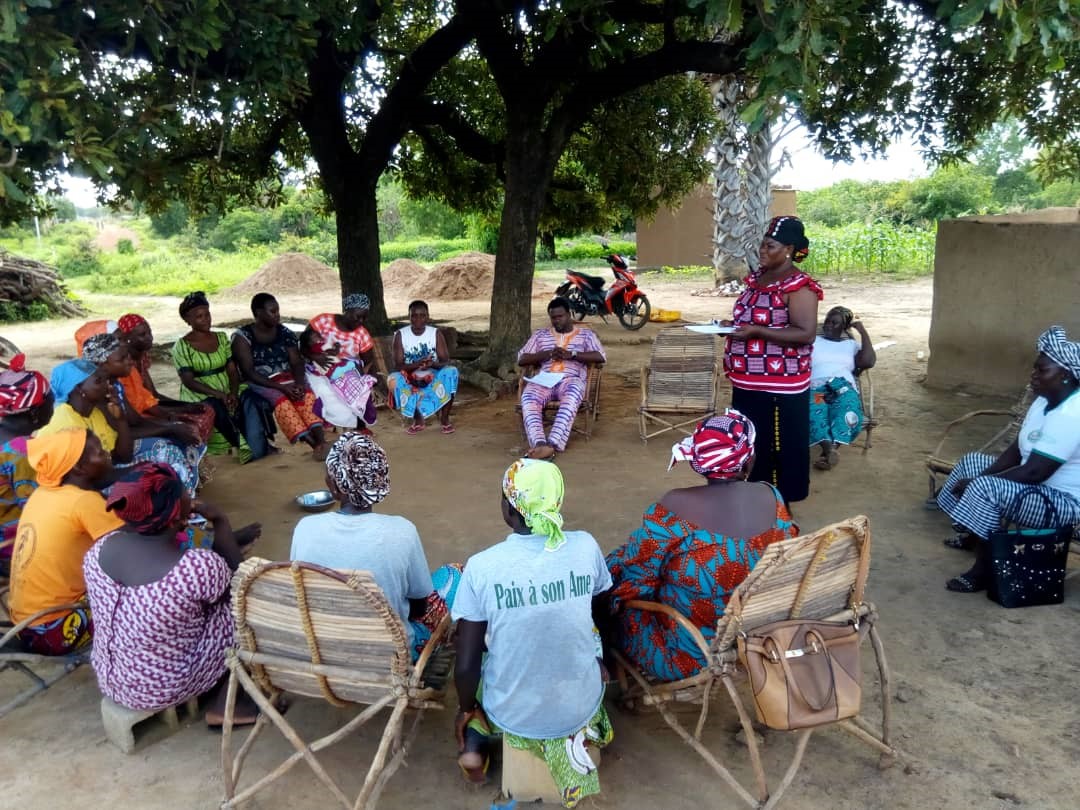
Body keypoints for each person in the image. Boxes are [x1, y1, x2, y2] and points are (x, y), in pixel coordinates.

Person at [452, 459, 613, 805]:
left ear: (509, 510)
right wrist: (603, 662)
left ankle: (476, 743)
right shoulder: (585, 546)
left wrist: (466, 708)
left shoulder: (481, 567)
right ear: (556, 502)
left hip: (513, 713)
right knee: (584, 638)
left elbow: (466, 666)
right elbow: (602, 613)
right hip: (577, 703)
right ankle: (581, 737)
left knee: (480, 673)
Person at [603, 411, 798, 681]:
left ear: (697, 462)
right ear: (748, 461)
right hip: (760, 632)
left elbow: (637, 574)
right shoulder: (772, 496)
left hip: (688, 652)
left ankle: (604, 672)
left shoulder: (675, 506)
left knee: (609, 593)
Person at [82, 463, 258, 726]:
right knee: (248, 609)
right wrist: (220, 519)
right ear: (179, 518)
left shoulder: (99, 551)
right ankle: (228, 705)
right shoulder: (194, 568)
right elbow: (242, 586)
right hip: (162, 688)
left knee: (198, 605)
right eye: (185, 495)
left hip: (112, 678)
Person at [290, 432, 459, 660]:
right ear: (380, 481)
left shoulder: (305, 529)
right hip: (390, 658)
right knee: (455, 573)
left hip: (324, 652)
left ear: (333, 486)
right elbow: (420, 607)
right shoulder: (402, 531)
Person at [937, 326, 1080, 593]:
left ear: (1065, 375)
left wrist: (978, 483)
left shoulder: (1072, 414)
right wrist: (978, 476)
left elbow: (1035, 473)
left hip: (1062, 502)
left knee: (983, 487)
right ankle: (971, 532)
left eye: (1042, 370)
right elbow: (1015, 452)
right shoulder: (1043, 400)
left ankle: (983, 570)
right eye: (1035, 368)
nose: (1033, 375)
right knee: (971, 462)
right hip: (1035, 487)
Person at [722, 215, 822, 504]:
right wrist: (732, 327)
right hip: (746, 380)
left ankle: (780, 508)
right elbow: (752, 317)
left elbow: (805, 333)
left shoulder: (799, 285)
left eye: (770, 246)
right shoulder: (757, 280)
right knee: (753, 442)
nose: (762, 251)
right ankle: (756, 500)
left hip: (781, 386)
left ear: (789, 248)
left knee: (781, 445)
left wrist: (755, 332)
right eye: (762, 245)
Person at [7, 429, 119, 655]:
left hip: (24, 625)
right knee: (145, 588)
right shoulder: (84, 501)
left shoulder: (43, 493)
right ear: (78, 467)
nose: (106, 454)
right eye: (98, 452)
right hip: (57, 628)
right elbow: (132, 548)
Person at [83, 333, 203, 495]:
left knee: (179, 437)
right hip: (113, 456)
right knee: (167, 449)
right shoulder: (98, 395)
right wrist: (169, 429)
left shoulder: (114, 385)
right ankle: (179, 503)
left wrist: (171, 426)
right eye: (122, 359)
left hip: (122, 447)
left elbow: (135, 420)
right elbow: (124, 434)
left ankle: (184, 493)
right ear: (102, 364)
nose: (130, 362)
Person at [173, 291, 275, 462]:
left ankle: (260, 444)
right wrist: (219, 394)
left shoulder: (221, 338)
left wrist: (233, 392)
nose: (206, 319)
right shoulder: (181, 347)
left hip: (227, 387)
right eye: (199, 316)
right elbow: (189, 381)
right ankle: (243, 447)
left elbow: (232, 370)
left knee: (252, 399)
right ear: (187, 320)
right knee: (216, 406)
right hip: (200, 393)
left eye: (207, 314)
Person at [232, 293, 329, 460]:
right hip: (261, 382)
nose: (277, 315)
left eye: (277, 311)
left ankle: (322, 442)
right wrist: (282, 387)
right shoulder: (243, 337)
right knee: (282, 402)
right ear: (258, 313)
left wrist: (299, 383)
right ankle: (314, 444)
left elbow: (296, 362)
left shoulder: (284, 332)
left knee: (306, 396)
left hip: (288, 378)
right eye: (273, 311)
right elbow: (248, 372)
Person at [516, 297, 606, 459]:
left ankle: (552, 444)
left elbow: (600, 356)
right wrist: (547, 354)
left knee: (572, 396)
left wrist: (572, 354)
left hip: (571, 379)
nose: (557, 320)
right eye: (553, 318)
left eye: (560, 316)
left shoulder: (586, 335)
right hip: (545, 379)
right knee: (528, 397)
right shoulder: (540, 335)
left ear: (569, 314)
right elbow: (522, 359)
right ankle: (539, 444)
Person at [115, 312, 216, 442]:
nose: (149, 338)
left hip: (149, 410)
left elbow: (153, 395)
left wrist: (184, 406)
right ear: (126, 338)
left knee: (205, 411)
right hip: (141, 415)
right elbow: (142, 408)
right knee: (188, 425)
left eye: (149, 332)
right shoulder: (124, 368)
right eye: (142, 335)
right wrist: (174, 414)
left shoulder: (141, 358)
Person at [0, 355, 53, 574]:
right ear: (34, 413)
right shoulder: (21, 451)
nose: (53, 404)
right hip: (10, 550)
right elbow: (36, 511)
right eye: (50, 399)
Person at [809, 306, 876, 470]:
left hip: (842, 387)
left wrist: (862, 331)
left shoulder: (851, 345)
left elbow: (868, 361)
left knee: (848, 412)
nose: (828, 325)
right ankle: (829, 450)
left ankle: (829, 452)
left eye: (835, 323)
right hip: (818, 388)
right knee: (814, 409)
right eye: (827, 321)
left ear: (844, 327)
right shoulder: (813, 341)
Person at [37, 359, 135, 467]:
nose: (108, 386)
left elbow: (122, 456)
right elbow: (93, 474)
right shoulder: (67, 422)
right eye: (98, 381)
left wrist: (120, 419)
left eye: (105, 380)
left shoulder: (93, 413)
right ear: (78, 388)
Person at [387, 300, 458, 435]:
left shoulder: (435, 333)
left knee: (451, 372)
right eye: (414, 315)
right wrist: (417, 365)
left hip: (432, 374)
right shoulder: (401, 335)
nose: (418, 319)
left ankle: (445, 418)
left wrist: (432, 365)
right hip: (409, 375)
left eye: (422, 315)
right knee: (393, 379)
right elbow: (398, 365)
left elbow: (445, 361)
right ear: (409, 317)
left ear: (428, 316)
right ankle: (418, 419)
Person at [299, 325, 378, 430]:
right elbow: (332, 353)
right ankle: (362, 379)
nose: (319, 337)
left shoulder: (319, 347)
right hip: (335, 370)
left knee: (353, 365)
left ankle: (361, 379)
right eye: (315, 336)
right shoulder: (318, 347)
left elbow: (332, 353)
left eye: (319, 335)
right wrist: (336, 348)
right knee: (352, 365)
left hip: (335, 368)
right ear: (309, 343)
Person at [308, 293, 377, 369]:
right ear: (347, 310)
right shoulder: (323, 320)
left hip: (346, 375)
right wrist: (313, 356)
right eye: (358, 316)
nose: (361, 321)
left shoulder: (362, 334)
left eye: (364, 318)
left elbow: (368, 362)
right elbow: (302, 343)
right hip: (317, 369)